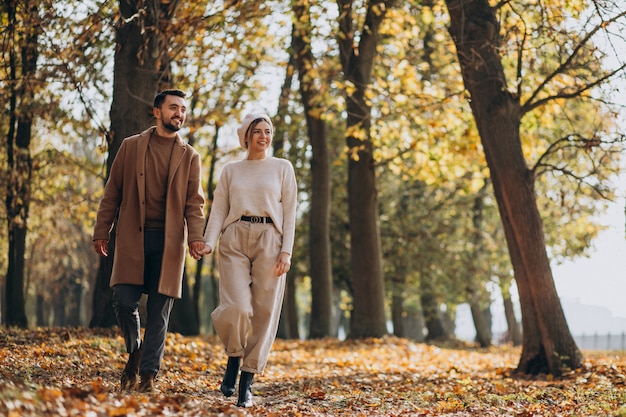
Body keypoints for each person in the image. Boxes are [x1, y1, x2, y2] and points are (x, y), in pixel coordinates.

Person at [92, 89, 206, 393]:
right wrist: (102, 230)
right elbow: (112, 192)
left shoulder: (190, 156)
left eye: (182, 109)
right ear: (157, 112)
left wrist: (196, 238)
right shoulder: (131, 147)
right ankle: (135, 349)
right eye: (173, 108)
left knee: (159, 313)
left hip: (169, 244)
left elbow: (194, 204)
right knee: (123, 301)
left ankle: (148, 376)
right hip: (132, 237)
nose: (179, 114)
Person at [198, 113, 297, 407]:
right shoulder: (231, 170)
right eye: (257, 132)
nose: (263, 136)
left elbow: (290, 213)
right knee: (237, 307)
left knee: (264, 311)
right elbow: (219, 211)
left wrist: (287, 251)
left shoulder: (282, 167)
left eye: (268, 131)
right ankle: (233, 355)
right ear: (246, 136)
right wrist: (208, 242)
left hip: (270, 238)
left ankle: (246, 381)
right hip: (235, 237)